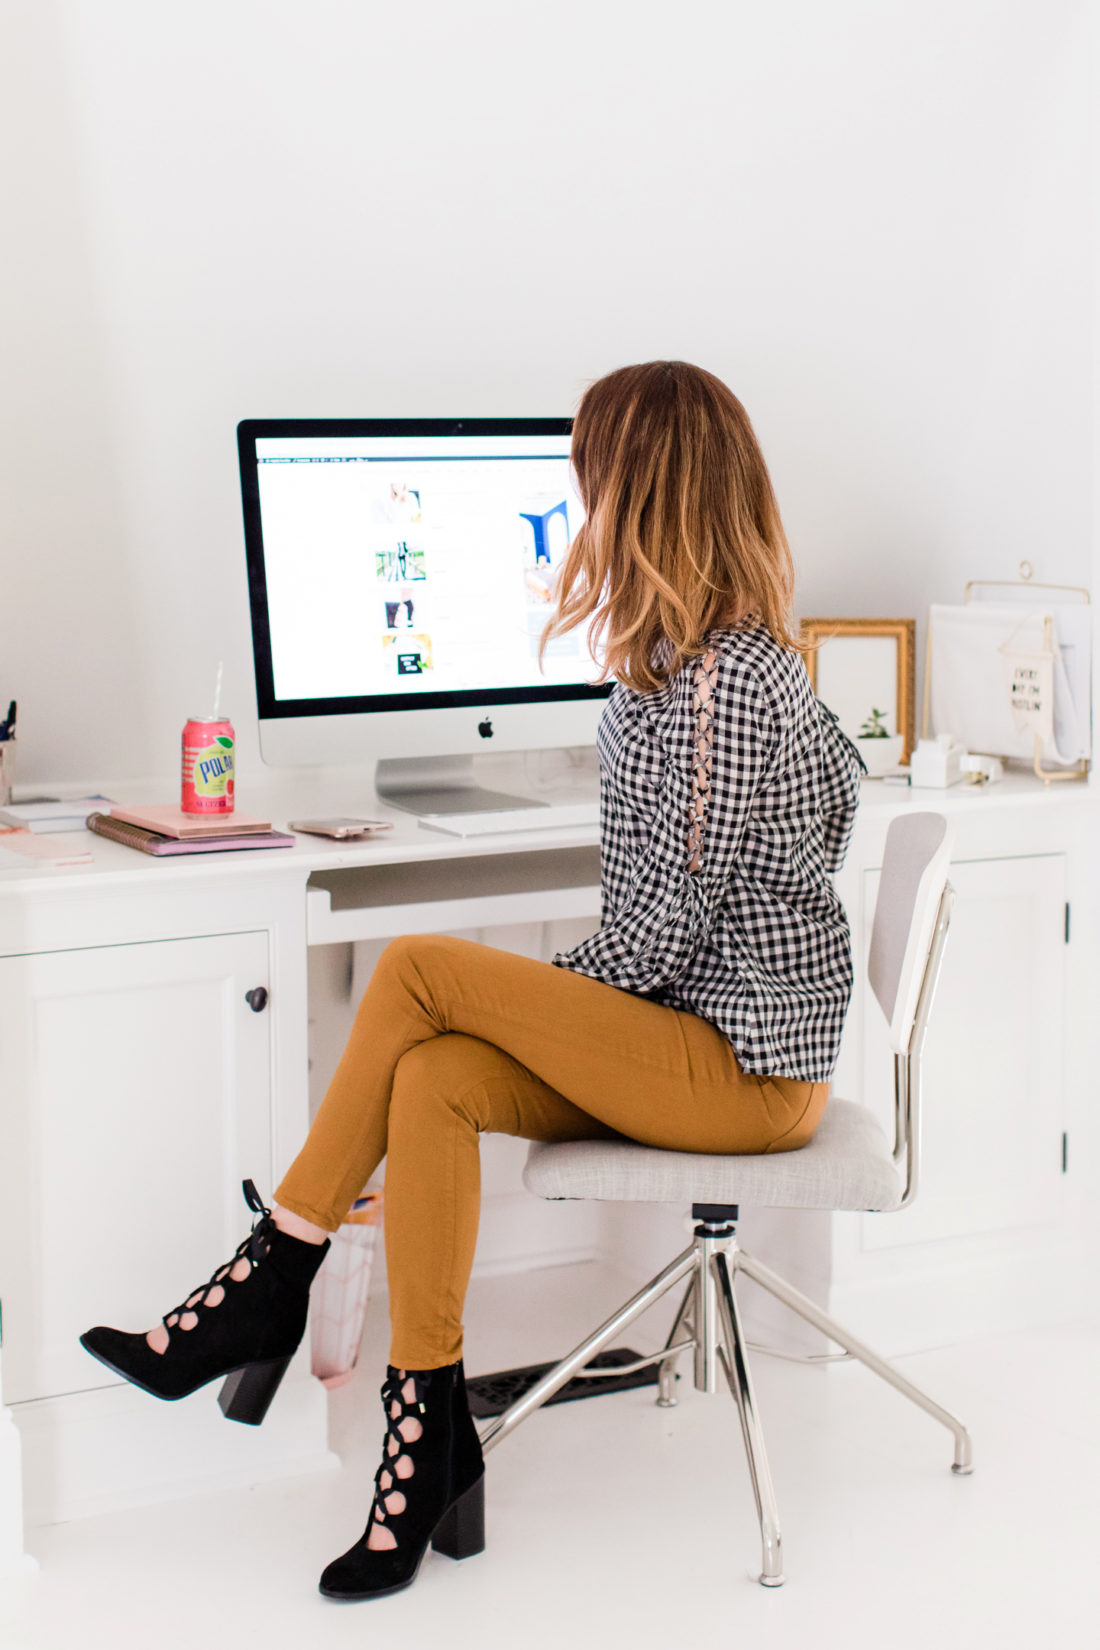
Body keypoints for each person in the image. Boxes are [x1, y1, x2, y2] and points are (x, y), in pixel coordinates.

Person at [80, 360, 862, 1603]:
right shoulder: (671, 669)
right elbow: (665, 932)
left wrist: (529, 1001)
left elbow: (656, 939)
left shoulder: (730, 684)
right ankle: (424, 1437)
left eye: (590, 480)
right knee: (435, 1077)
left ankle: (267, 1278)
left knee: (420, 971)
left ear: (643, 496)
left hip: (747, 1076)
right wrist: (528, 1013)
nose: (577, 507)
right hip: (686, 1035)